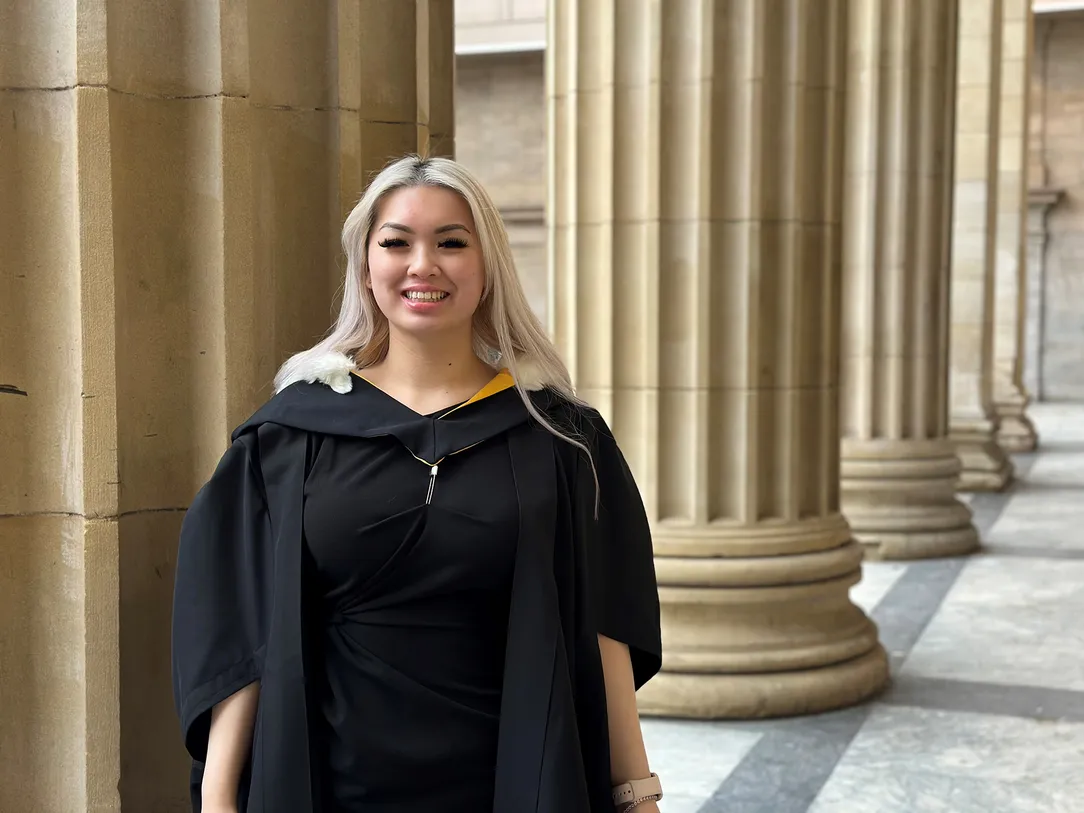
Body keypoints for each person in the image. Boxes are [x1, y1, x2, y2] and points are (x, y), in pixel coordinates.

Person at [171, 154, 664, 813]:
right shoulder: (290, 439)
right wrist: (218, 796)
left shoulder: (560, 439)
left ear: (487, 267)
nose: (422, 265)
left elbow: (602, 625)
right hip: (335, 774)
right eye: (396, 242)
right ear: (366, 266)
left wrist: (635, 792)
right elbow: (244, 628)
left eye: (451, 242)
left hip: (514, 771)